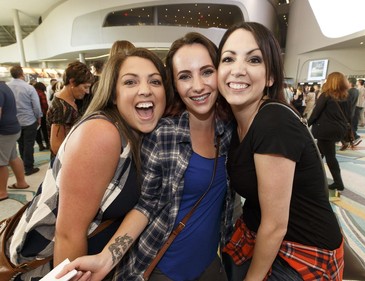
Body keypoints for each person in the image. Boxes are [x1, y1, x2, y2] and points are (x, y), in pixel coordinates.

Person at [58, 32, 235, 281]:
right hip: (163, 268)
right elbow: (147, 205)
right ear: (175, 84)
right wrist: (107, 257)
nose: (197, 85)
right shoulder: (165, 133)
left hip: (211, 264)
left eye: (206, 71)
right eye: (185, 76)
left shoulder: (229, 129)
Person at [6, 48, 170, 280]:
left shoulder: (139, 133)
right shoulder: (101, 132)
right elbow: (68, 236)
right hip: (52, 265)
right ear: (114, 94)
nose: (145, 90)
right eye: (131, 82)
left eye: (155, 81)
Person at [216, 22, 343, 280]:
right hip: (258, 233)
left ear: (271, 76)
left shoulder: (272, 121)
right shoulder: (235, 120)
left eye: (253, 59)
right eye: (228, 58)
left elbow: (275, 226)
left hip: (305, 251)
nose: (237, 70)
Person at [309, 72, 351, 191]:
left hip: (325, 130)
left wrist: (306, 123)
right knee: (319, 155)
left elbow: (316, 113)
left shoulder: (326, 95)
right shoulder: (345, 96)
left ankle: (338, 182)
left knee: (329, 156)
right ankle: (314, 179)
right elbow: (349, 116)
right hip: (338, 130)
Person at [46, 61, 94, 161]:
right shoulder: (62, 107)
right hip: (65, 161)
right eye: (85, 87)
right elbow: (56, 147)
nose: (87, 91)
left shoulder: (68, 102)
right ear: (72, 82)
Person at [7, 65, 43, 176]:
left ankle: (23, 165)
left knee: (21, 144)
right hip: (29, 120)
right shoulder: (28, 88)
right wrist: (39, 116)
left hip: (14, 121)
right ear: (22, 74)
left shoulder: (7, 87)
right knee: (29, 144)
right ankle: (28, 167)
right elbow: (36, 105)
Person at [0, 82, 30, 201]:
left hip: (4, 131)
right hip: (13, 128)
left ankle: (1, 192)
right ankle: (21, 182)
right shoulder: (4, 86)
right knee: (13, 157)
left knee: (0, 162)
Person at [33, 82, 50, 151]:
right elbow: (45, 104)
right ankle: (48, 144)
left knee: (37, 131)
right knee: (45, 130)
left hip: (34, 115)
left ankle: (40, 145)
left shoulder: (32, 93)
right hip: (43, 114)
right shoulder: (41, 93)